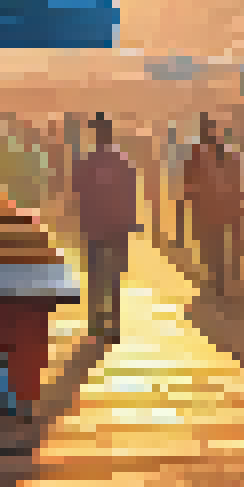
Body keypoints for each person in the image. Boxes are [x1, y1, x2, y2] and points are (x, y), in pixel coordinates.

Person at [75, 113, 138, 342]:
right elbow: (130, 193)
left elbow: (78, 193)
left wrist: (81, 221)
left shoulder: (88, 162)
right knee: (112, 278)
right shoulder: (121, 161)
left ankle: (97, 323)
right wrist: (130, 221)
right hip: (115, 228)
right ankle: (112, 324)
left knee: (97, 277)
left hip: (97, 227)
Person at [188, 115, 239, 298]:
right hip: (214, 206)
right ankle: (218, 279)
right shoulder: (215, 150)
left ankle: (218, 280)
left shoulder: (202, 151)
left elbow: (189, 181)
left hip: (210, 207)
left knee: (211, 245)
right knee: (214, 245)